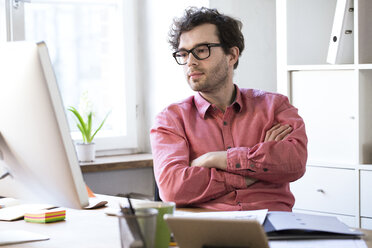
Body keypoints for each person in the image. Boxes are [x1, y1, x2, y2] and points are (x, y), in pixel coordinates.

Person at [150, 7, 307, 211]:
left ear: (232, 55)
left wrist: (213, 159)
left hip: (274, 226)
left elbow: (294, 163)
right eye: (184, 53)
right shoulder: (170, 120)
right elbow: (173, 188)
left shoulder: (275, 107)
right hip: (207, 229)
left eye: (201, 50)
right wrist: (253, 170)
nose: (190, 62)